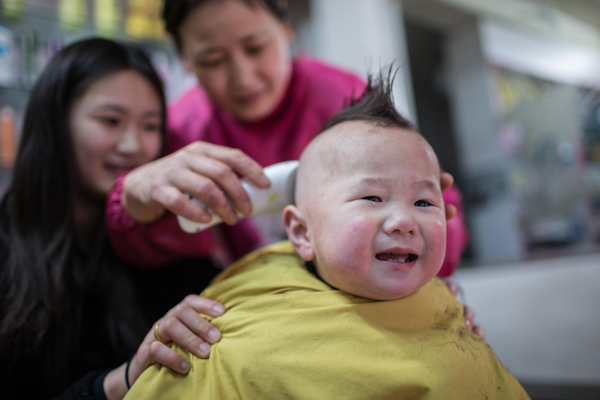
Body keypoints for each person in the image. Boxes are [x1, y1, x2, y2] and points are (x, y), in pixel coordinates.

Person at [124, 75, 529, 399]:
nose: (404, 221)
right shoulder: (234, 326)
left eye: (425, 202)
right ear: (300, 232)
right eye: (372, 197)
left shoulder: (448, 307)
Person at [106, 0, 469, 278]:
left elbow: (440, 213)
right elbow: (155, 253)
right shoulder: (183, 131)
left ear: (286, 29)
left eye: (255, 48)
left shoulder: (342, 96)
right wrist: (134, 198)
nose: (243, 78)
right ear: (184, 58)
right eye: (213, 59)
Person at [0, 38, 226, 400]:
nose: (134, 145)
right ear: (56, 122)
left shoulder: (154, 243)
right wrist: (123, 380)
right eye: (111, 120)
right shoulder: (9, 249)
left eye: (151, 126)